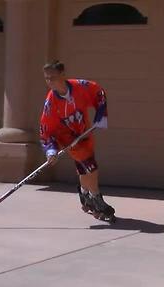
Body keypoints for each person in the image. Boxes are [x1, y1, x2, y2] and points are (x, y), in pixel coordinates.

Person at [39, 60, 115, 221]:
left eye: (52, 77)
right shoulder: (51, 102)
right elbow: (46, 129)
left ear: (62, 74)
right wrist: (51, 150)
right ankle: (96, 199)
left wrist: (101, 114)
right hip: (67, 137)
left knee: (84, 167)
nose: (49, 82)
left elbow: (98, 93)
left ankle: (84, 193)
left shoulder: (80, 87)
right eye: (46, 78)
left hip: (84, 132)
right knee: (90, 165)